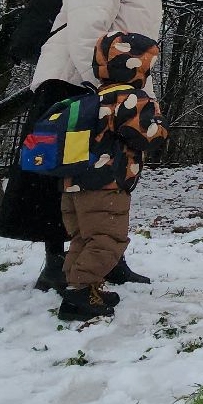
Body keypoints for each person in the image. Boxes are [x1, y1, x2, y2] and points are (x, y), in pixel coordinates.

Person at [0, 0, 191, 293]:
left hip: (116, 96)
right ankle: (56, 264)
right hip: (75, 87)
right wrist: (103, 88)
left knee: (111, 177)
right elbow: (87, 31)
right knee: (63, 176)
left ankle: (107, 258)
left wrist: (141, 97)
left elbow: (137, 51)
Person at [57, 30, 168, 321]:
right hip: (107, 183)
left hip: (75, 182)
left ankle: (78, 284)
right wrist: (158, 125)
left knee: (83, 237)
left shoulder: (94, 96)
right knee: (108, 239)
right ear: (135, 66)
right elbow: (145, 137)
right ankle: (78, 295)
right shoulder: (130, 98)